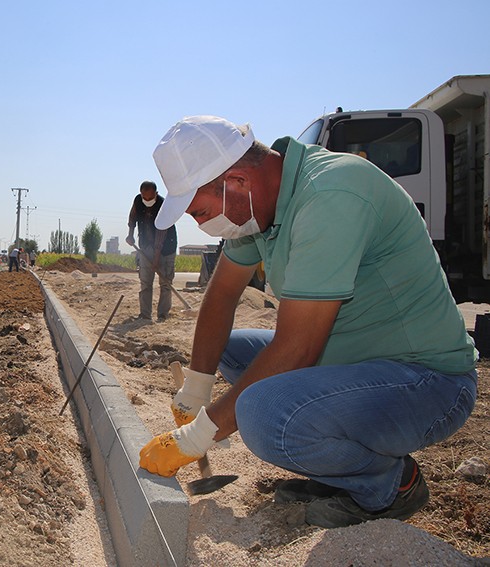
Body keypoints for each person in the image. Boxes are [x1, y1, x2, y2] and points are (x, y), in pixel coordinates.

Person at [138, 115, 477, 528]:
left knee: (263, 415)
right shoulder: (258, 207)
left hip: (425, 381)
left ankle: (390, 486)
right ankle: (340, 472)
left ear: (239, 182)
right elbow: (222, 295)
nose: (203, 225)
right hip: (351, 362)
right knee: (227, 351)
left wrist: (198, 435)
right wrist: (196, 387)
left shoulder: (331, 195)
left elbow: (297, 348)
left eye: (202, 212)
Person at [126, 180, 178, 321]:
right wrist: (130, 235)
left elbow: (161, 235)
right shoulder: (138, 201)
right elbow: (132, 219)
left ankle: (162, 314)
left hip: (166, 248)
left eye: (150, 197)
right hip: (146, 246)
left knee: (165, 283)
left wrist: (156, 260)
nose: (146, 200)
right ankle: (145, 314)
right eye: (144, 197)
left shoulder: (164, 206)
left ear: (156, 193)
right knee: (145, 282)